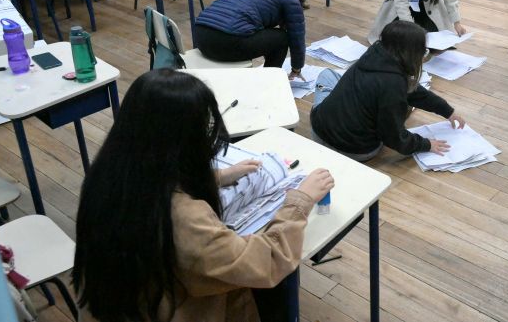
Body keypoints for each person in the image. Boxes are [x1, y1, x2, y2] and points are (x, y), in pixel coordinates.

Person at [72, 69, 334, 322]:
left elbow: (155, 181)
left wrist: (219, 177)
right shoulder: (184, 220)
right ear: (181, 142)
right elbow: (265, 263)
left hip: (118, 307)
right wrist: (301, 200)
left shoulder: (107, 176)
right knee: (278, 288)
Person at [312, 20, 466, 161]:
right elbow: (393, 137)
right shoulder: (393, 86)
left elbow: (413, 90)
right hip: (355, 150)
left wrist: (447, 110)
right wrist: (426, 144)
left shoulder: (375, 53)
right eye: (422, 51)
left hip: (319, 131)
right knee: (398, 108)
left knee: (327, 75)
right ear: (411, 53)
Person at [194, 0, 308, 78]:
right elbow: (296, 36)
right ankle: (269, 82)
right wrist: (296, 68)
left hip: (200, 37)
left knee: (266, 34)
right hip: (226, 42)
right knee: (281, 38)